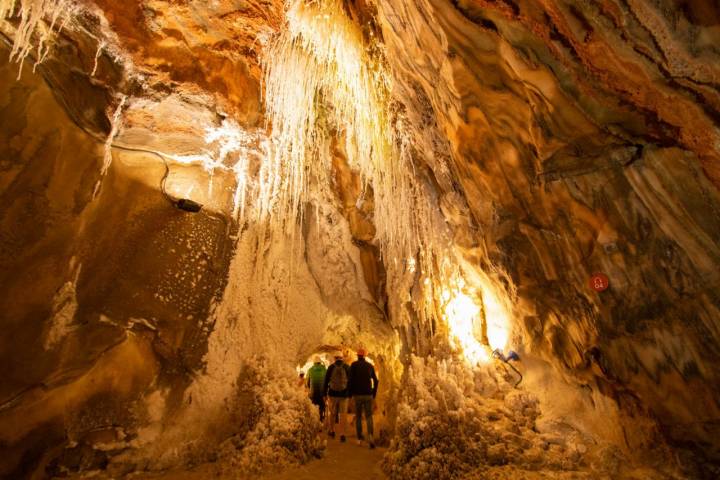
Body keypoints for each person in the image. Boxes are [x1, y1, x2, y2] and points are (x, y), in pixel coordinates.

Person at [349, 347, 379, 449]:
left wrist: (351, 393)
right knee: (368, 416)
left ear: (358, 356)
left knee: (358, 416)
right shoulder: (370, 366)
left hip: (357, 395)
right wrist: (374, 393)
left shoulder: (353, 365)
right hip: (368, 394)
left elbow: (350, 380)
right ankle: (370, 435)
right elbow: (375, 380)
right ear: (365, 356)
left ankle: (359, 438)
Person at [324, 351, 350, 442]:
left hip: (333, 394)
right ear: (342, 358)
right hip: (344, 394)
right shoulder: (347, 367)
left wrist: (324, 393)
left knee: (332, 413)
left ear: (335, 358)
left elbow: (326, 381)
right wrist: (349, 393)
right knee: (343, 414)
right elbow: (350, 381)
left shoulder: (331, 367)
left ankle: (332, 430)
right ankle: (342, 434)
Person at [306, 356, 327, 422]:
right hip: (322, 392)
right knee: (322, 405)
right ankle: (321, 417)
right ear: (320, 362)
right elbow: (327, 380)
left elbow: (308, 382)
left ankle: (315, 420)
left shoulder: (310, 370)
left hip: (313, 392)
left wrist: (310, 388)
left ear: (314, 362)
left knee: (314, 405)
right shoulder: (324, 369)